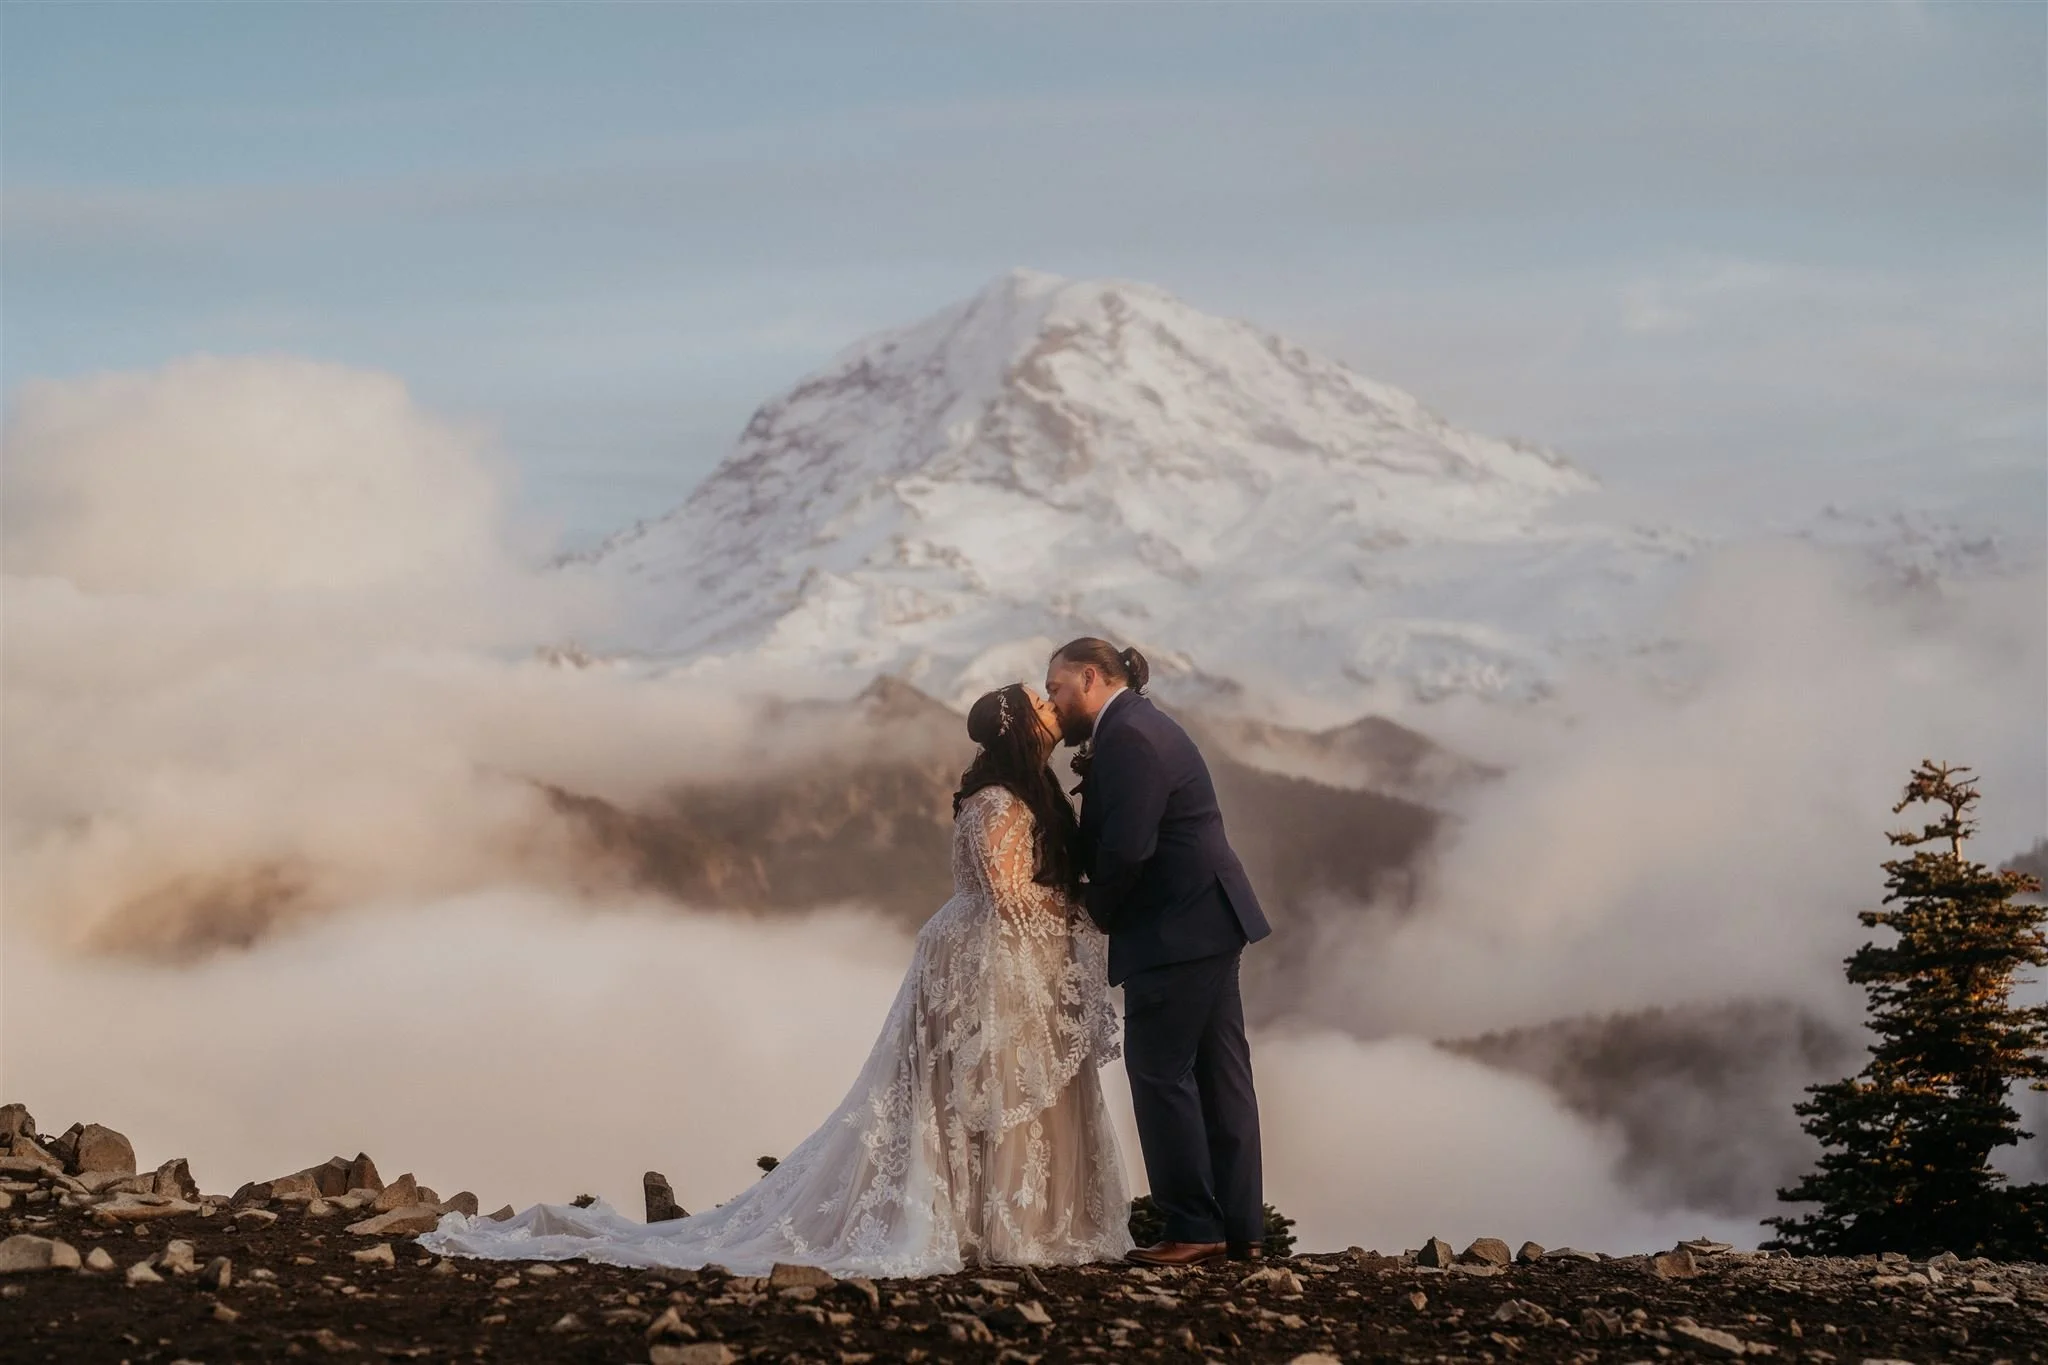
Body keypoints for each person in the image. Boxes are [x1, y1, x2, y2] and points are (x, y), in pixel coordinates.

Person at [417, 683, 1132, 1276]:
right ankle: (992, 1225)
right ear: (1019, 731)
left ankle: (1013, 1221)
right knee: (980, 1088)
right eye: (1039, 702)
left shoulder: (1025, 796)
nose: (1050, 705)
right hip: (981, 961)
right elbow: (1008, 894)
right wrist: (1084, 904)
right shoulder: (998, 804)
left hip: (1005, 960)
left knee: (1000, 1088)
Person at [1044, 638, 1272, 1267]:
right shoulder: (1138, 727)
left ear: (1090, 678)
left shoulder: (1131, 739)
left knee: (1159, 1073)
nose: (1052, 701)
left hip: (1176, 929)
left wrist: (1087, 907)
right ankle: (1242, 1230)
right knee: (1222, 1078)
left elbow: (1127, 849)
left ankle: (1194, 1227)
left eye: (1057, 687)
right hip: (1210, 919)